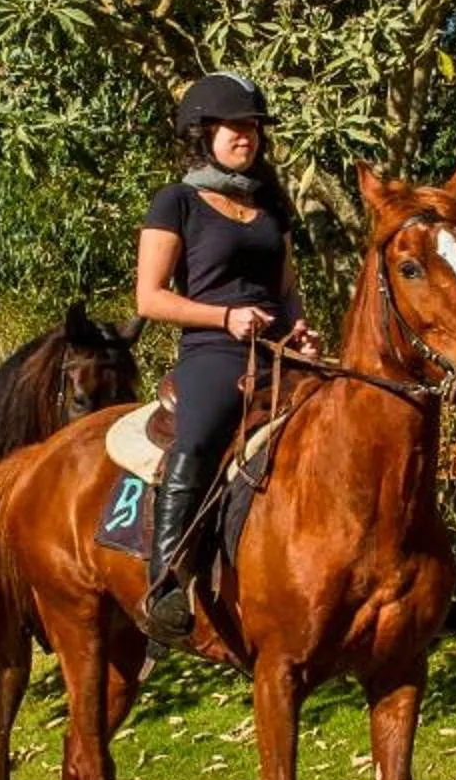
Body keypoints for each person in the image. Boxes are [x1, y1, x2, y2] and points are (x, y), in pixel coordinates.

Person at [132, 73, 321, 646]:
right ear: (203, 131)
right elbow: (149, 296)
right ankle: (166, 582)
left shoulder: (270, 205)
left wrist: (301, 329)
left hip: (278, 351)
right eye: (236, 126)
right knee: (200, 433)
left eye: (254, 127)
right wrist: (225, 318)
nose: (248, 136)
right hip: (214, 350)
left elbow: (286, 289)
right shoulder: (177, 201)